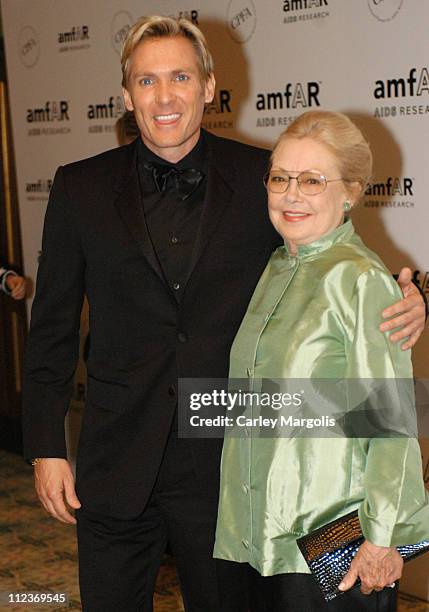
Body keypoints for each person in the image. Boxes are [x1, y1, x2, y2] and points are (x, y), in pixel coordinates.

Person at [22, 16, 426, 612]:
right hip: (114, 462)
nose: (165, 97)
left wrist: (414, 295)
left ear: (209, 86)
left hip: (228, 470)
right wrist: (45, 447)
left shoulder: (262, 178)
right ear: (127, 94)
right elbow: (51, 326)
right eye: (147, 80)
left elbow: (332, 258)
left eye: (180, 76)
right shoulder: (79, 188)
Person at [213, 110, 429, 611]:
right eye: (280, 178)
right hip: (259, 532)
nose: (291, 194)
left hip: (332, 545)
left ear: (350, 191)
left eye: (312, 180)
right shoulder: (276, 265)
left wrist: (383, 539)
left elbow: (391, 421)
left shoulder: (361, 280)